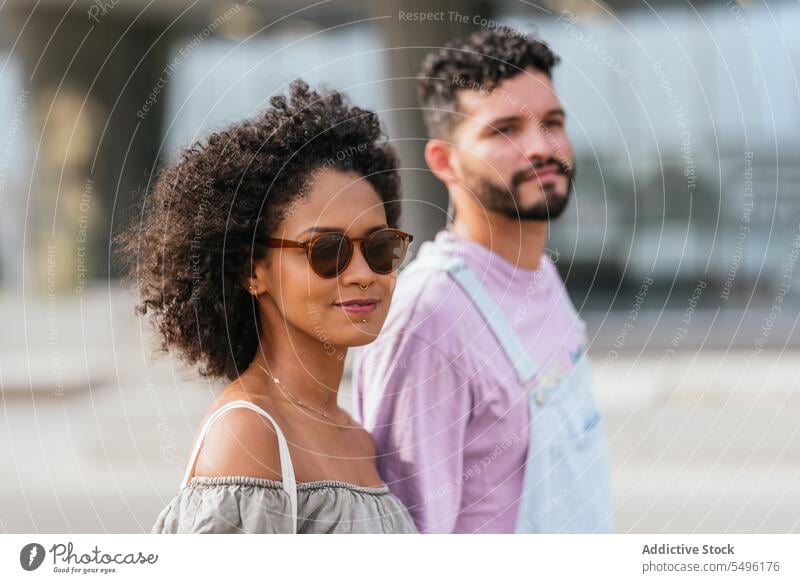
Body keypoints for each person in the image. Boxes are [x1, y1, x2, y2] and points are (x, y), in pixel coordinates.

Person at [118, 80, 417, 534]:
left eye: (380, 248)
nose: (363, 273)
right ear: (251, 270)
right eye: (326, 250)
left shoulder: (356, 437)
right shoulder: (251, 435)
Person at [352, 29, 614, 533]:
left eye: (553, 123)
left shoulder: (541, 274)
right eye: (506, 130)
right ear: (444, 162)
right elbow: (409, 543)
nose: (541, 147)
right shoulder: (429, 317)